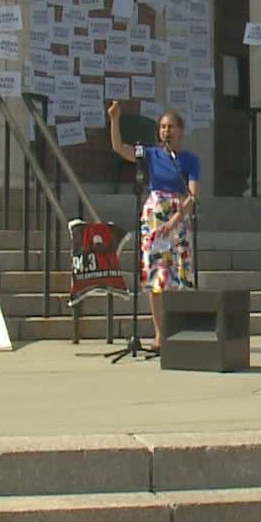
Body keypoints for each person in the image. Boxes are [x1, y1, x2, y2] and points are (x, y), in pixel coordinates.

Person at [106, 100, 201, 352]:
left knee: (180, 275)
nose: (166, 131)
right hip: (155, 216)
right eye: (162, 127)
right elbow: (119, 148)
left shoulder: (190, 160)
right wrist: (115, 119)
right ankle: (160, 335)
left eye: (170, 127)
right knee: (156, 277)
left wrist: (175, 221)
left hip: (178, 216)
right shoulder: (151, 154)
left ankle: (181, 331)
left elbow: (193, 196)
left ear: (180, 130)